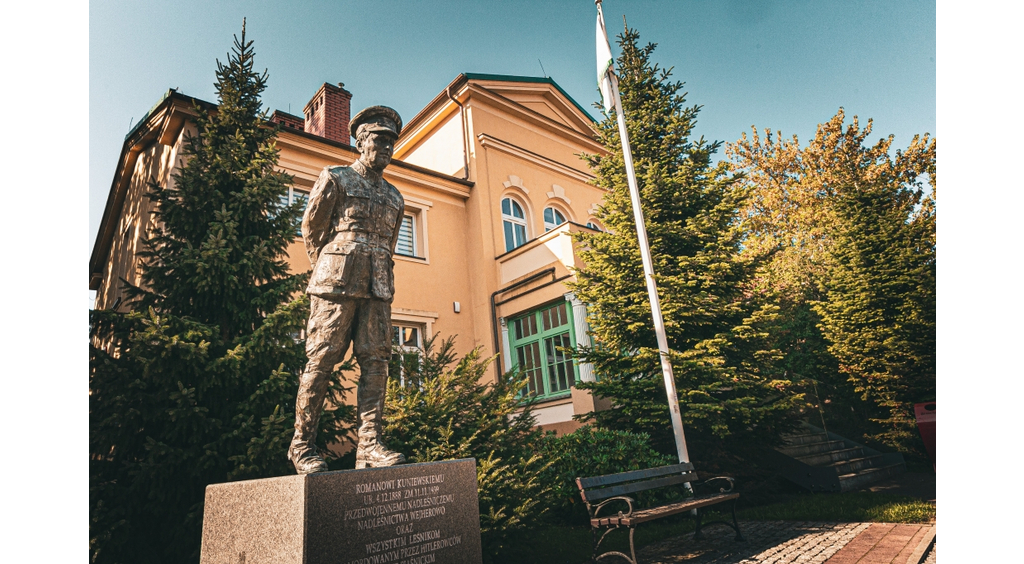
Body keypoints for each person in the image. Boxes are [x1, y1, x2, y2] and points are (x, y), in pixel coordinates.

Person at [288, 106, 406, 473]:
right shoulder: (336, 178)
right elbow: (313, 230)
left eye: (391, 142)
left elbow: (390, 244)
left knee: (376, 362)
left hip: (378, 286)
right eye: (379, 140)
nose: (386, 148)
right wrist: (330, 268)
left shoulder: (395, 196)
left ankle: (369, 445)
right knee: (321, 360)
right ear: (361, 142)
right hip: (335, 282)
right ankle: (302, 445)